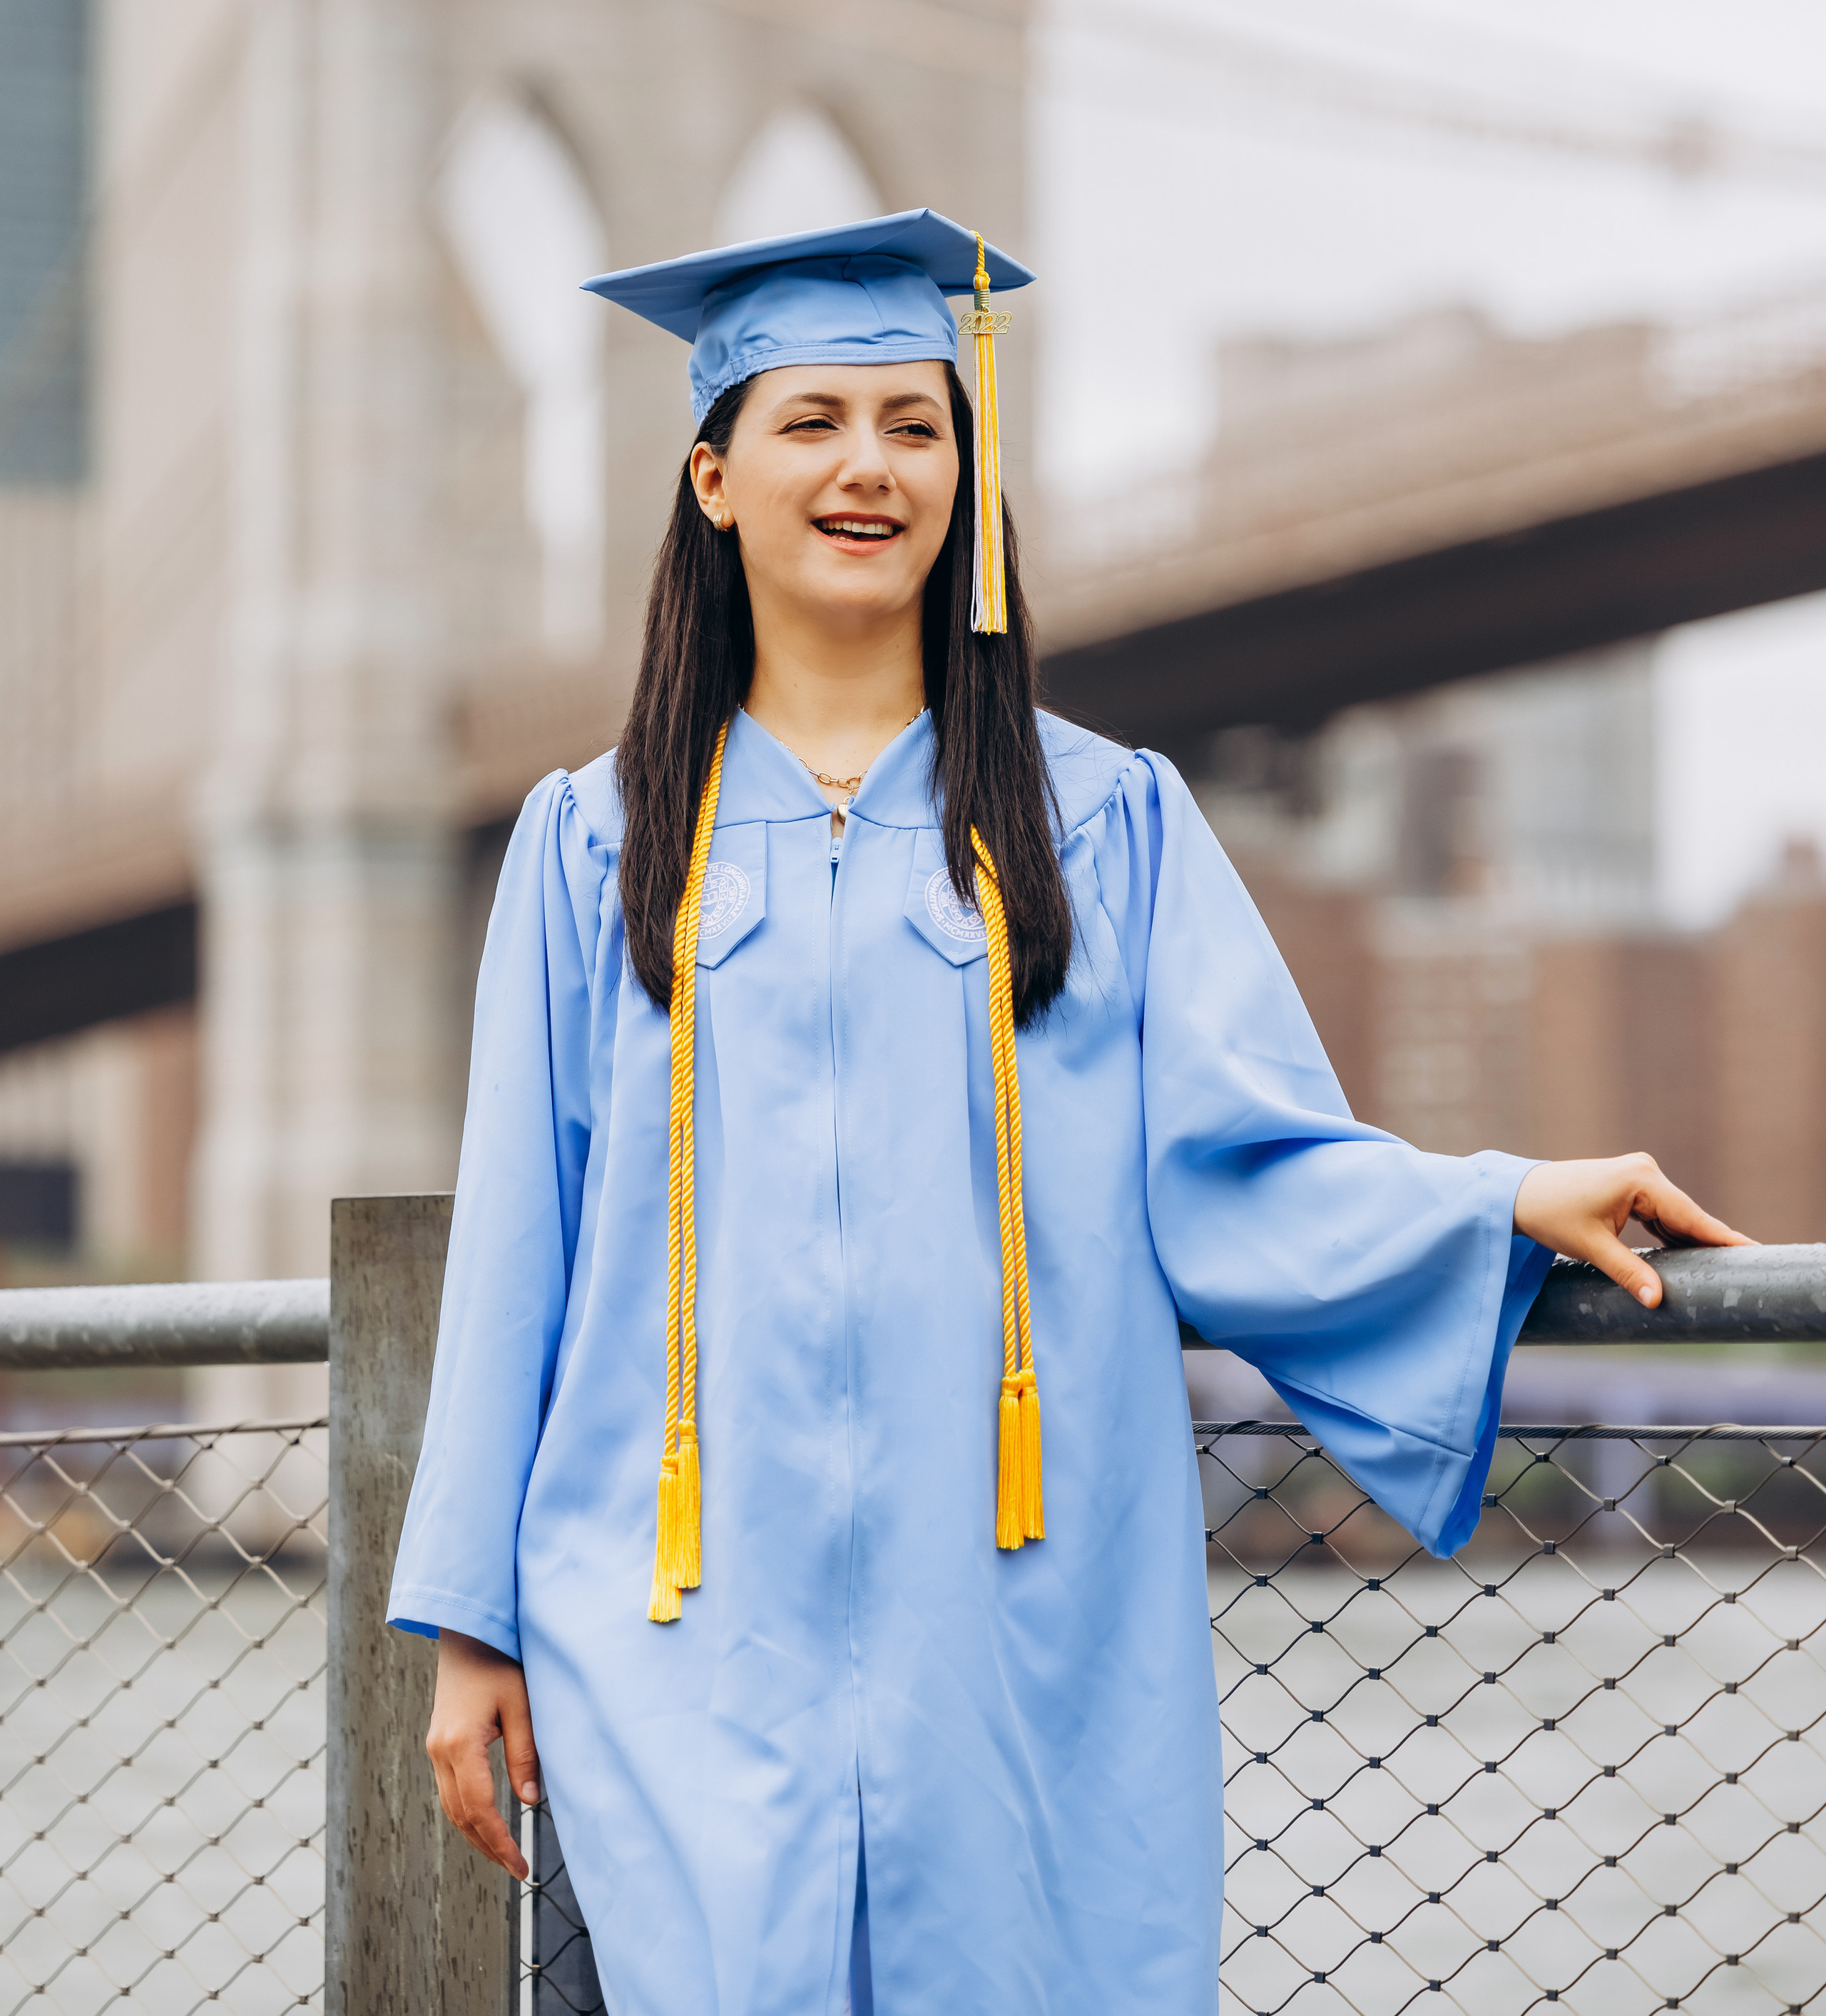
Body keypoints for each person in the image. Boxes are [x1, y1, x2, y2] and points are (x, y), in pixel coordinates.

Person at [387, 210, 1746, 2016]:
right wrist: (469, 1620)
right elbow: (519, 1243)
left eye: (915, 424)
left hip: (1013, 1609)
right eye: (812, 422)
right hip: (678, 1614)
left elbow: (1238, 1166)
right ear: (712, 478)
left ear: (966, 475)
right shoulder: (595, 842)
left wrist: (1488, 1200)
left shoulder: (1101, 824)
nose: (869, 466)